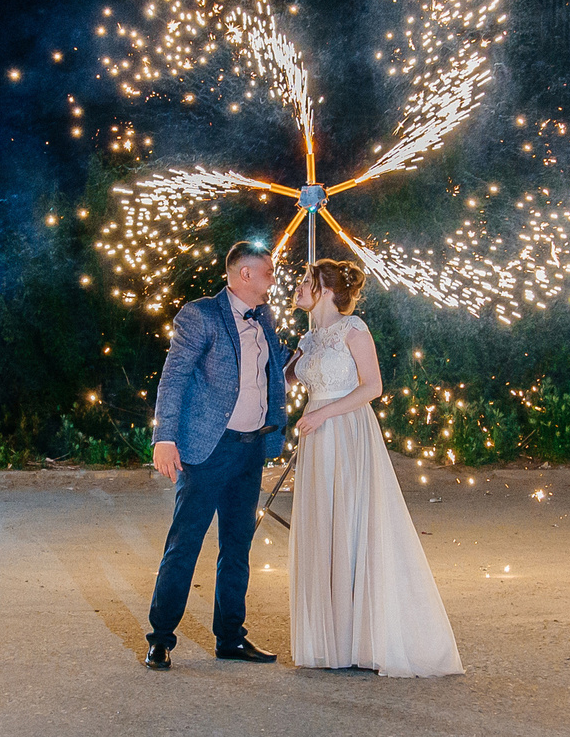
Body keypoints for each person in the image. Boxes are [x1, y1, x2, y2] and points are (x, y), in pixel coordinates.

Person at [287, 259, 462, 676]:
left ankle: (365, 637)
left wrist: (324, 414)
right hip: (316, 437)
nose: (296, 286)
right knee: (324, 526)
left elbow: (373, 386)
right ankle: (335, 639)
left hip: (345, 430)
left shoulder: (354, 329)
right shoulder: (309, 338)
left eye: (305, 281)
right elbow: (285, 379)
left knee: (351, 522)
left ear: (326, 290)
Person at [144, 241, 288, 670]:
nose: (274, 279)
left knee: (237, 547)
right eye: (268, 272)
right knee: (185, 543)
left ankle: (230, 638)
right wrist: (164, 437)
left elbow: (270, 377)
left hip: (251, 449)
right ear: (245, 274)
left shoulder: (265, 319)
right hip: (207, 450)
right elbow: (173, 378)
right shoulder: (201, 314)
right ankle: (160, 639)